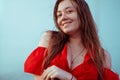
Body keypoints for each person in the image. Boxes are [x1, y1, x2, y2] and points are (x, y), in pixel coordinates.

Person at [24, 0, 119, 80]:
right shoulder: (49, 39)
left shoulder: (102, 55)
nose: (63, 18)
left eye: (69, 11)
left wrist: (70, 77)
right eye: (59, 15)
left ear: (83, 14)